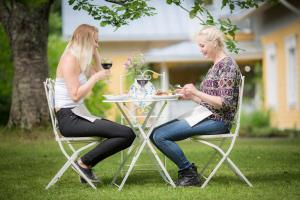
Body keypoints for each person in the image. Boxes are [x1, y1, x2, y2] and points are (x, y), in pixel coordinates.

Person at [150, 26, 242, 187]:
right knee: (154, 133)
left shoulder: (227, 66)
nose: (200, 50)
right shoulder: (216, 66)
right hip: (208, 116)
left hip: (219, 122)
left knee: (160, 136)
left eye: (202, 45)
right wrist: (191, 96)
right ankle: (188, 172)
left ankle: (189, 173)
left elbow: (224, 103)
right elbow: (211, 102)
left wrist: (197, 92)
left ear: (214, 43)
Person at [54, 24, 135, 184]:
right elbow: (75, 95)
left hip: (77, 115)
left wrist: (95, 51)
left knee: (127, 133)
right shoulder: (70, 60)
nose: (98, 44)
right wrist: (94, 78)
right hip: (69, 120)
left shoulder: (79, 59)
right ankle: (84, 163)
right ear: (85, 41)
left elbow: (101, 74)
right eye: (95, 42)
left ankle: (85, 164)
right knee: (127, 134)